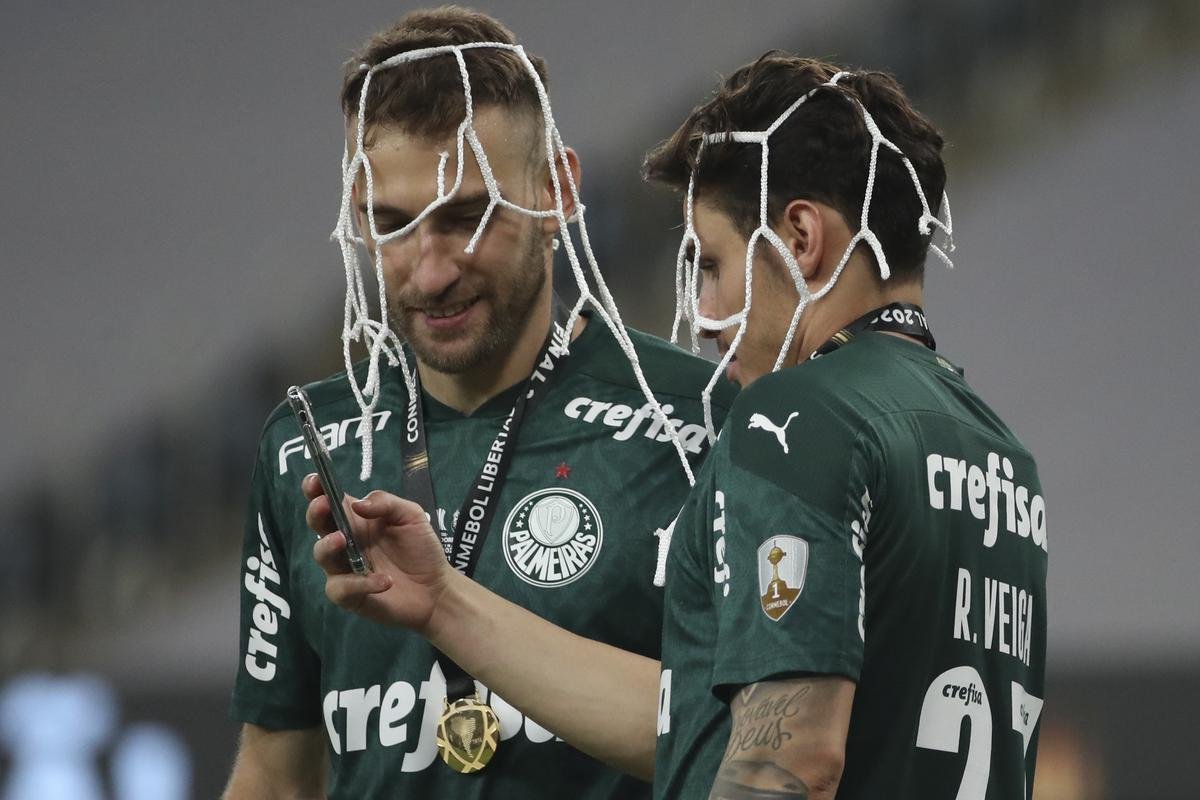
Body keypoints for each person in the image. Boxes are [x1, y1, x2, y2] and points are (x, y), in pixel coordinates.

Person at [310, 53, 1048, 799]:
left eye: (713, 264)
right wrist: (445, 604)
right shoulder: (998, 453)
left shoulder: (795, 420)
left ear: (800, 238)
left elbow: (786, 763)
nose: (704, 315)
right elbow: (692, 723)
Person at [222, 8, 733, 799]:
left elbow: (748, 745)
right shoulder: (304, 445)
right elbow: (275, 776)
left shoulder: (697, 420)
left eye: (466, 217)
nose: (430, 273)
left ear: (557, 189)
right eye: (392, 224)